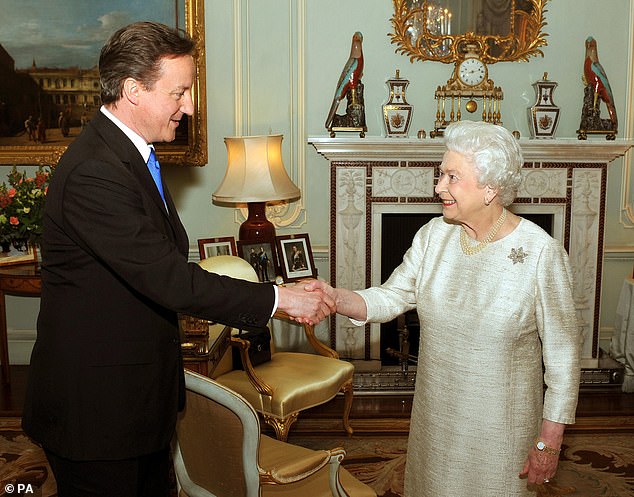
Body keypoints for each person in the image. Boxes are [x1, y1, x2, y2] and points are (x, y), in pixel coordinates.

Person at [22, 21, 334, 497]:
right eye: (179, 92)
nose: (189, 107)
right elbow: (169, 279)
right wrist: (279, 299)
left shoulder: (132, 155)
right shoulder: (94, 172)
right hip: (97, 413)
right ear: (133, 90)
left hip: (136, 400)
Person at [308, 120, 581, 497]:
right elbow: (391, 297)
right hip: (436, 421)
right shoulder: (433, 236)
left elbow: (564, 359)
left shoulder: (540, 254)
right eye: (441, 174)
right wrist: (336, 298)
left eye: (452, 177)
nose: (439, 187)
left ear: (491, 188)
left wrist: (549, 443)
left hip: (501, 431)